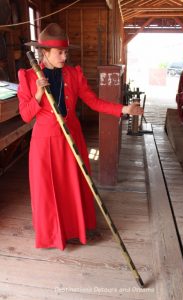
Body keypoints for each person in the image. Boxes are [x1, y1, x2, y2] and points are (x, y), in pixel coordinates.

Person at [17, 23, 143, 250]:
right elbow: (26, 116)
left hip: (72, 139)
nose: (65, 56)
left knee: (73, 186)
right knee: (49, 190)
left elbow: (93, 102)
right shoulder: (27, 77)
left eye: (67, 52)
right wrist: (37, 94)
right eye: (60, 52)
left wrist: (124, 110)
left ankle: (76, 229)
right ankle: (53, 235)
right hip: (44, 144)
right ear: (44, 52)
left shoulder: (73, 74)